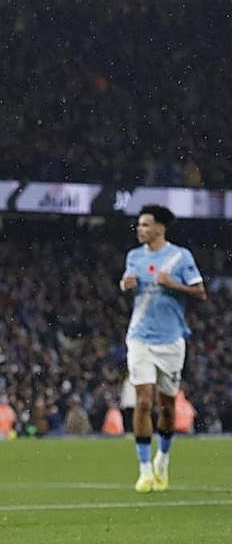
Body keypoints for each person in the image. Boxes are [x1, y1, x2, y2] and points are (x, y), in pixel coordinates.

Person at [119, 204, 205, 493]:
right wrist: (125, 284)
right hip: (139, 337)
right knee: (143, 401)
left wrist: (173, 284)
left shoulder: (180, 257)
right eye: (139, 225)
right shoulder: (134, 256)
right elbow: (128, 279)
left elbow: (200, 292)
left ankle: (163, 459)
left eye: (145, 225)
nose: (139, 229)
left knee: (166, 407)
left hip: (170, 341)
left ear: (160, 228)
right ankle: (144, 470)